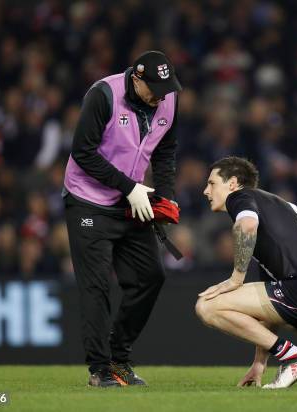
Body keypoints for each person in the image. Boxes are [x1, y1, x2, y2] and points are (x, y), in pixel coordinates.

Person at [63, 51, 182, 387]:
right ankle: (100, 370)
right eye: (154, 88)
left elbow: (166, 150)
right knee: (97, 284)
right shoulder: (104, 94)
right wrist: (129, 187)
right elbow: (82, 152)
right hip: (88, 202)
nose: (160, 95)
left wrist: (166, 195)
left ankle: (118, 357)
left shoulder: (169, 100)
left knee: (150, 276)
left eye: (166, 88)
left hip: (131, 203)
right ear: (136, 78)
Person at [195, 156, 297, 388]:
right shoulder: (277, 208)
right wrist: (259, 364)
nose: (205, 190)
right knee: (284, 304)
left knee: (208, 306)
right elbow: (270, 312)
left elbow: (247, 225)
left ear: (232, 183)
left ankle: (295, 358)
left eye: (211, 183)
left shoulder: (241, 197)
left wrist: (236, 278)